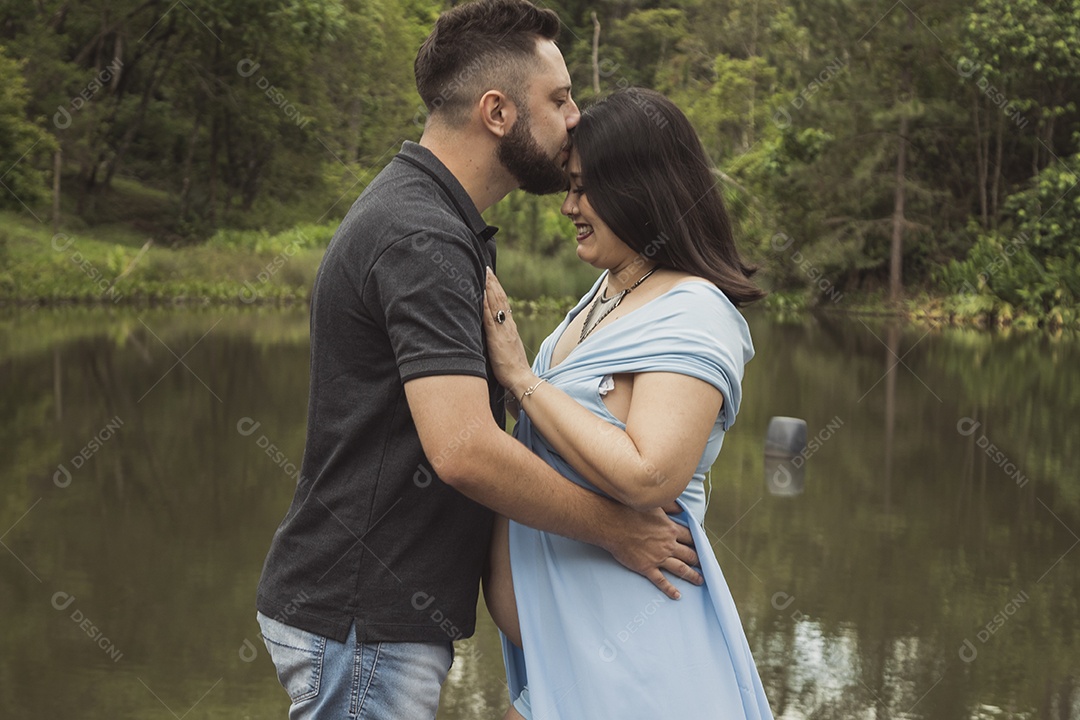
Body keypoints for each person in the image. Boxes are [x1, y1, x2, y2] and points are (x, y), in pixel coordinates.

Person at [254, 3, 702, 718]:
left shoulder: (438, 220)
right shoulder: (420, 235)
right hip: (361, 616)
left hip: (366, 612)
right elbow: (463, 449)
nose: (576, 118)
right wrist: (618, 527)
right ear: (497, 112)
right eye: (558, 100)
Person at [481, 88, 775, 719]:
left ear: (640, 189)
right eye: (570, 185)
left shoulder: (693, 309)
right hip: (570, 663)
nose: (568, 206)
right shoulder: (606, 291)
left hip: (639, 669)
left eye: (584, 189)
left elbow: (651, 474)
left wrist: (519, 376)